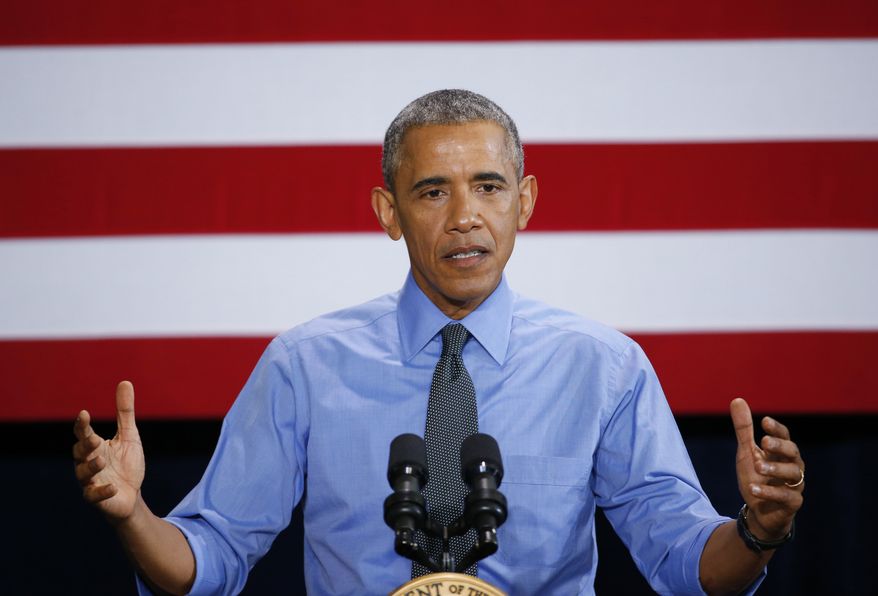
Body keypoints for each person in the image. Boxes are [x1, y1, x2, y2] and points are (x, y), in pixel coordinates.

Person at [73, 89, 805, 595]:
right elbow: (209, 561)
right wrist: (135, 516)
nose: (464, 216)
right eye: (432, 192)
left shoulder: (603, 368)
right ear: (388, 213)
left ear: (525, 202)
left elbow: (687, 565)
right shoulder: (304, 366)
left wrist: (758, 531)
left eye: (488, 187)